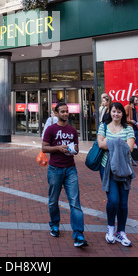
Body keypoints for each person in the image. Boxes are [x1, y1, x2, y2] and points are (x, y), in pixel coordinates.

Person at [42, 102, 88, 248]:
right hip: (55, 169)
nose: (65, 114)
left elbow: (77, 149)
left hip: (70, 169)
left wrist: (74, 149)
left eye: (66, 111)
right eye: (62, 111)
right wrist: (58, 148)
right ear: (56, 113)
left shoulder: (73, 131)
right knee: (53, 200)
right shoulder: (51, 129)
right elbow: (44, 148)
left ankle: (79, 234)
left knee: (75, 202)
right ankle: (54, 224)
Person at [97, 101, 135, 247]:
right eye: (114, 111)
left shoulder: (128, 129)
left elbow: (130, 148)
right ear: (110, 112)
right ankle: (110, 229)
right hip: (107, 168)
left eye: (119, 112)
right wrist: (120, 142)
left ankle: (121, 232)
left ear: (122, 114)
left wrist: (110, 142)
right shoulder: (103, 126)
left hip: (124, 169)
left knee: (123, 203)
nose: (116, 114)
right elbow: (101, 144)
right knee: (113, 200)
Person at [124, 96, 138, 165]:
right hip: (130, 130)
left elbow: (136, 117)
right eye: (136, 100)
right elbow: (123, 117)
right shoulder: (127, 107)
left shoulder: (134, 109)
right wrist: (130, 121)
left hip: (136, 129)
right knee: (130, 146)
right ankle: (128, 160)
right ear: (132, 100)